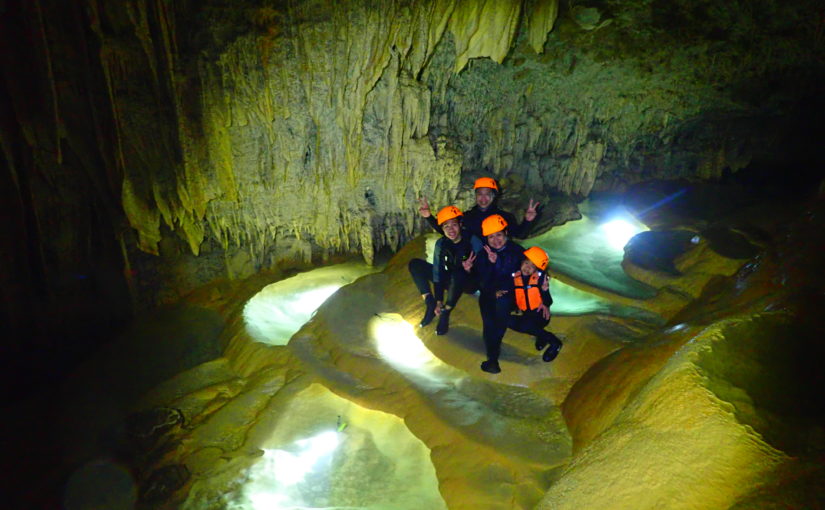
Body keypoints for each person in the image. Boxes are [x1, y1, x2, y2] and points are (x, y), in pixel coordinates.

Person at [462, 214, 525, 374]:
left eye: (499, 235)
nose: (495, 240)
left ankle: (493, 354)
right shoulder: (483, 255)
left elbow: (521, 273)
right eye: (491, 237)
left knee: (502, 306)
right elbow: (480, 280)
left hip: (511, 294)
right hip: (490, 293)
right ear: (486, 239)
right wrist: (470, 270)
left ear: (506, 234)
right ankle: (492, 359)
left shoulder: (518, 251)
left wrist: (498, 262)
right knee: (489, 321)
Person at [418, 177, 539, 249]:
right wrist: (428, 217)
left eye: (487, 195)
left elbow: (520, 235)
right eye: (480, 194)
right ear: (475, 196)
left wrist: (528, 221)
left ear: (493, 196)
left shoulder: (505, 217)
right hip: (474, 262)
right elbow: (449, 231)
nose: (483, 198)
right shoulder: (467, 217)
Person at [408, 205, 475, 335]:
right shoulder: (442, 243)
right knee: (415, 264)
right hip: (451, 279)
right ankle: (430, 303)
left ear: (460, 225)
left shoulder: (472, 241)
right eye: (446, 226)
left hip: (469, 282)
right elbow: (438, 272)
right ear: (442, 229)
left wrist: (469, 270)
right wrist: (438, 300)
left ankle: (446, 312)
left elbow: (484, 267)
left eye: (454, 225)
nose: (451, 230)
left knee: (458, 273)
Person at [498, 246, 563, 363]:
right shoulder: (516, 277)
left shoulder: (539, 280)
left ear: (536, 270)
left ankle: (554, 342)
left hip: (540, 315)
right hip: (527, 314)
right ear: (521, 262)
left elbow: (548, 301)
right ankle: (541, 335)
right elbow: (513, 295)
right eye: (526, 263)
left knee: (526, 326)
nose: (528, 268)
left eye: (532, 266)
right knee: (504, 319)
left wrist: (544, 291)